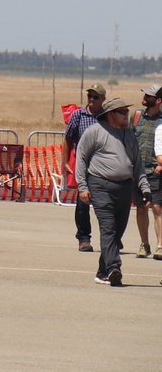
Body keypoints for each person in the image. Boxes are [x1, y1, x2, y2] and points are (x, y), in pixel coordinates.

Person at [76, 96, 140, 286]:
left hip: (124, 187)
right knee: (108, 228)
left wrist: (143, 187)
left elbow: (137, 163)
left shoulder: (129, 134)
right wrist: (83, 187)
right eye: (122, 112)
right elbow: (81, 158)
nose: (126, 115)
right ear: (111, 115)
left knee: (117, 232)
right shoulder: (94, 131)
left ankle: (103, 272)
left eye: (127, 111)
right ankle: (114, 267)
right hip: (100, 185)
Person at [65, 85, 104, 252]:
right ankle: (84, 238)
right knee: (83, 203)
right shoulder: (78, 115)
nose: (92, 100)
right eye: (90, 96)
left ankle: (111, 238)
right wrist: (65, 162)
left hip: (103, 166)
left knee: (106, 205)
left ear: (103, 99)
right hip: (83, 165)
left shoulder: (107, 116)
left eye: (96, 97)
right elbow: (68, 139)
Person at [133, 87, 159, 260]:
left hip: (156, 170)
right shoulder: (137, 116)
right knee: (141, 207)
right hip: (137, 170)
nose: (145, 97)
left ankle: (160, 245)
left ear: (158, 100)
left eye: (149, 96)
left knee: (157, 207)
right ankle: (144, 243)